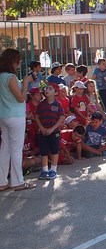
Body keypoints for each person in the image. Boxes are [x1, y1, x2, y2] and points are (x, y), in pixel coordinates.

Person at [0, 48, 36, 191]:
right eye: (18, 59)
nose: (20, 61)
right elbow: (21, 98)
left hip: (3, 115)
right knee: (16, 150)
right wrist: (26, 82)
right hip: (15, 116)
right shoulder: (11, 77)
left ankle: (2, 182)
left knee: (5, 149)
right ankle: (18, 182)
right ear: (12, 61)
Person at [34, 84, 66, 180]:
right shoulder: (41, 104)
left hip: (54, 131)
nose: (47, 90)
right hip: (42, 132)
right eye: (46, 88)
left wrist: (52, 128)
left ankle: (53, 170)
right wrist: (42, 128)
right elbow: (36, 117)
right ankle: (44, 170)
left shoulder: (58, 104)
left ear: (55, 93)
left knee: (55, 150)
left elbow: (62, 117)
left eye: (50, 89)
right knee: (43, 151)